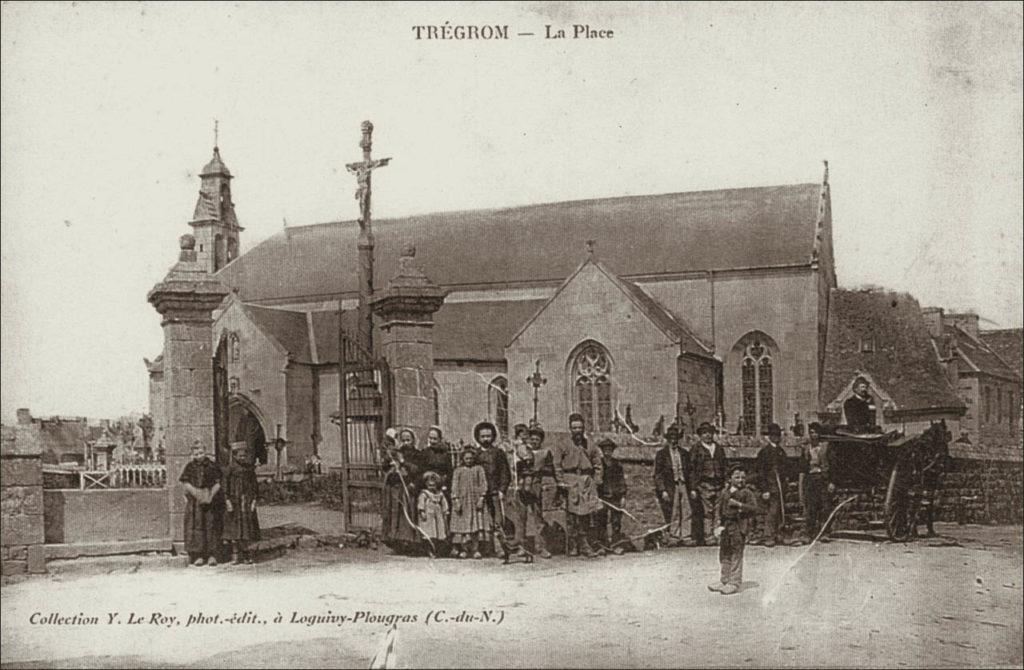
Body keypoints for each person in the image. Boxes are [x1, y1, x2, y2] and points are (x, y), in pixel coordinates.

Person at [554, 413, 603, 557]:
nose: (577, 430)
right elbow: (557, 464)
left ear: (583, 428)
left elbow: (598, 464)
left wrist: (597, 480)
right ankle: (573, 545)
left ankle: (585, 545)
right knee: (571, 516)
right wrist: (560, 481)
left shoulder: (590, 445)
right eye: (574, 427)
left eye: (580, 427)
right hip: (570, 480)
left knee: (586, 514)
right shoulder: (563, 444)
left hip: (586, 481)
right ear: (570, 428)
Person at [710, 465, 760, 595]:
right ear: (730, 478)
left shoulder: (747, 493)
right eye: (737, 477)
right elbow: (718, 509)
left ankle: (734, 582)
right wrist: (717, 524)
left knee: (736, 553)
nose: (740, 480)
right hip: (726, 526)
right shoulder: (724, 492)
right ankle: (724, 579)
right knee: (724, 552)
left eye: (743, 477)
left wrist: (739, 505)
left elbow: (755, 509)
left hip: (739, 526)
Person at [179, 441, 224, 567]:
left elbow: (218, 482)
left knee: (211, 525)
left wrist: (210, 495)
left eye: (201, 453)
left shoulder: (212, 466)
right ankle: (198, 555)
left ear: (206, 452)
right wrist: (196, 493)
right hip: (195, 502)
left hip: (210, 501)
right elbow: (185, 483)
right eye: (196, 453)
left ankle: (212, 555)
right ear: (193, 454)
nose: (199, 455)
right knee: (196, 526)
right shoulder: (190, 467)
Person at [472, 421, 512, 556]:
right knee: (483, 520)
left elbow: (505, 473)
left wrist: (502, 489)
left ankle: (500, 548)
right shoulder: (474, 455)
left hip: (495, 491)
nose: (485, 439)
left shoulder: (498, 453)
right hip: (480, 493)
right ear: (478, 437)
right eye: (482, 436)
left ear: (493, 436)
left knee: (498, 520)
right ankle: (486, 548)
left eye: (488, 436)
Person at [380, 428, 422, 555]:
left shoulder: (417, 454)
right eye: (403, 440)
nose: (405, 443)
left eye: (408, 440)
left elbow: (417, 470)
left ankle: (409, 543)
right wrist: (388, 462)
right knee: (394, 513)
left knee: (407, 514)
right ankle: (395, 541)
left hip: (408, 487)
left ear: (413, 440)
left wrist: (403, 461)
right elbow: (385, 468)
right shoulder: (395, 451)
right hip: (395, 486)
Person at [518, 424, 555, 558]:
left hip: (537, 486)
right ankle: (522, 547)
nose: (534, 441)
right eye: (531, 439)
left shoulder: (545, 453)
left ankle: (541, 547)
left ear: (541, 440)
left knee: (538, 517)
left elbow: (551, 469)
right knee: (522, 517)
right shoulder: (522, 452)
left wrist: (539, 471)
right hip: (522, 486)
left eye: (537, 439)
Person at [653, 424, 691, 545]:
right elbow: (658, 474)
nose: (673, 441)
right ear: (668, 439)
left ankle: (686, 536)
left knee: (686, 510)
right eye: (671, 438)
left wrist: (692, 487)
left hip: (683, 484)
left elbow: (690, 471)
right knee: (674, 510)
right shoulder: (661, 454)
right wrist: (662, 490)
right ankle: (674, 536)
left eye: (675, 438)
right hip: (671, 485)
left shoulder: (684, 453)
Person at [222, 443, 260, 565]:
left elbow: (254, 486)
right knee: (235, 530)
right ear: (234, 455)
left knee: (247, 529)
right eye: (240, 456)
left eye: (244, 455)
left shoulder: (249, 469)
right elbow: (225, 486)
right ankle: (235, 555)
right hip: (234, 502)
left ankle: (247, 554)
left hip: (246, 502)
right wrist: (227, 500)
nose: (242, 458)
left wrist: (254, 500)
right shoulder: (230, 469)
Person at [689, 422, 726, 546]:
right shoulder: (696, 449)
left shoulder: (718, 448)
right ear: (700, 435)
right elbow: (692, 470)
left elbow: (725, 465)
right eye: (704, 433)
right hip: (704, 484)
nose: (708, 435)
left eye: (709, 433)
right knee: (708, 511)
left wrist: (725, 481)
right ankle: (708, 535)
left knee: (718, 510)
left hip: (718, 484)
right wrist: (694, 488)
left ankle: (717, 534)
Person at [450, 448, 490, 559]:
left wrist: (482, 497)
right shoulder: (458, 470)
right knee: (463, 527)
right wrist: (456, 500)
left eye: (471, 458)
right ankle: (464, 549)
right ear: (463, 459)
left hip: (475, 502)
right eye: (466, 458)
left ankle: (475, 550)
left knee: (476, 526)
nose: (469, 460)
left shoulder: (479, 469)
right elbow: (454, 486)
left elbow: (483, 483)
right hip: (463, 502)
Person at [754, 423, 789, 547]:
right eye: (773, 435)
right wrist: (764, 490)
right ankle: (769, 536)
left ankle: (779, 533)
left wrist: (786, 482)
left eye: (778, 435)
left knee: (780, 511)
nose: (776, 437)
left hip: (780, 487)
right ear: (769, 437)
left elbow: (785, 469)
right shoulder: (764, 452)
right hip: (770, 486)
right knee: (771, 512)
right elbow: (760, 473)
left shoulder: (780, 451)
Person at [799, 422, 835, 543]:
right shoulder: (806, 449)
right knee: (811, 507)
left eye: (815, 432)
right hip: (811, 479)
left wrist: (831, 482)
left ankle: (825, 532)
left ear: (819, 434)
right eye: (811, 432)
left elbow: (832, 465)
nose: (813, 435)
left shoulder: (825, 447)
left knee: (825, 506)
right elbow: (803, 467)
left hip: (823, 479)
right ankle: (809, 533)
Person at [594, 438, 628, 554]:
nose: (607, 452)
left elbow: (622, 481)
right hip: (602, 496)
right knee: (601, 521)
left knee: (616, 522)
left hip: (615, 497)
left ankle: (616, 545)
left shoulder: (617, 464)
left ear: (612, 451)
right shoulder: (599, 464)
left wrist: (623, 496)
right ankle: (602, 546)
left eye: (609, 449)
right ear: (602, 451)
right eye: (605, 450)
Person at [417, 471, 450, 556]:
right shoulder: (424, 493)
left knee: (438, 532)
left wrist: (445, 511)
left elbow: (444, 503)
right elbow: (421, 503)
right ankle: (429, 550)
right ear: (426, 485)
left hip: (438, 515)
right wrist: (422, 511)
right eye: (429, 485)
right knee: (429, 532)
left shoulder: (440, 494)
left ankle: (437, 550)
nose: (431, 487)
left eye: (433, 485)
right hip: (428, 516)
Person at [421, 426, 453, 494]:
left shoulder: (445, 453)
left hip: (441, 485)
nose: (432, 441)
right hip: (428, 485)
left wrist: (445, 482)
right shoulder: (425, 452)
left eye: (435, 439)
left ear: (440, 439)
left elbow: (449, 471)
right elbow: (421, 469)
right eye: (430, 438)